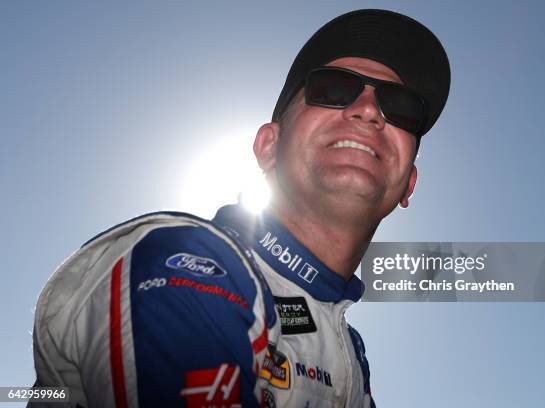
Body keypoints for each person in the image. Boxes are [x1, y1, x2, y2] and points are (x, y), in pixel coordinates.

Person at [30, 9, 450, 408]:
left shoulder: (350, 354)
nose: (367, 110)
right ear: (269, 147)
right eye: (333, 89)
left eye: (400, 107)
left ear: (408, 184)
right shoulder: (185, 259)